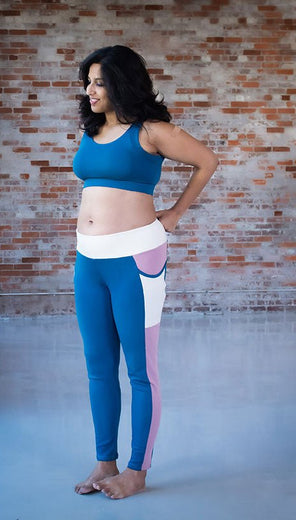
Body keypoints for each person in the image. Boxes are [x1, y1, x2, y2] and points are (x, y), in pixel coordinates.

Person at [72, 45, 219, 500]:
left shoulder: (152, 131)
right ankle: (105, 462)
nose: (90, 90)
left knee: (140, 371)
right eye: (88, 82)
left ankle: (137, 470)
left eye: (99, 82)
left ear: (121, 83)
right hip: (88, 260)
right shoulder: (93, 129)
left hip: (136, 259)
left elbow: (207, 161)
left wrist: (174, 214)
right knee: (99, 368)